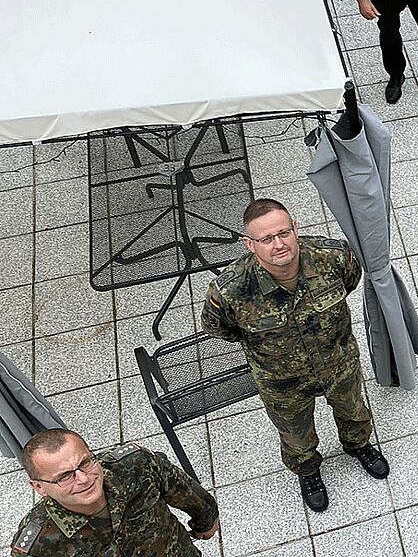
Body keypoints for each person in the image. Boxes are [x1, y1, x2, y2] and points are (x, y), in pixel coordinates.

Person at [202, 199, 389, 513]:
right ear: (250, 244)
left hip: (337, 364)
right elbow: (221, 329)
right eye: (266, 239)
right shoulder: (230, 292)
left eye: (284, 233)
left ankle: (358, 445)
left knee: (354, 412)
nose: (279, 244)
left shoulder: (333, 257)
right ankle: (308, 470)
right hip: (282, 383)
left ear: (295, 229)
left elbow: (351, 280)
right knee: (295, 436)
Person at [10, 428, 219, 555]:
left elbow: (184, 489)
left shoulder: (135, 466)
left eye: (85, 463)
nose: (83, 479)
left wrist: (206, 520)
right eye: (65, 476)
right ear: (39, 487)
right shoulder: (37, 544)